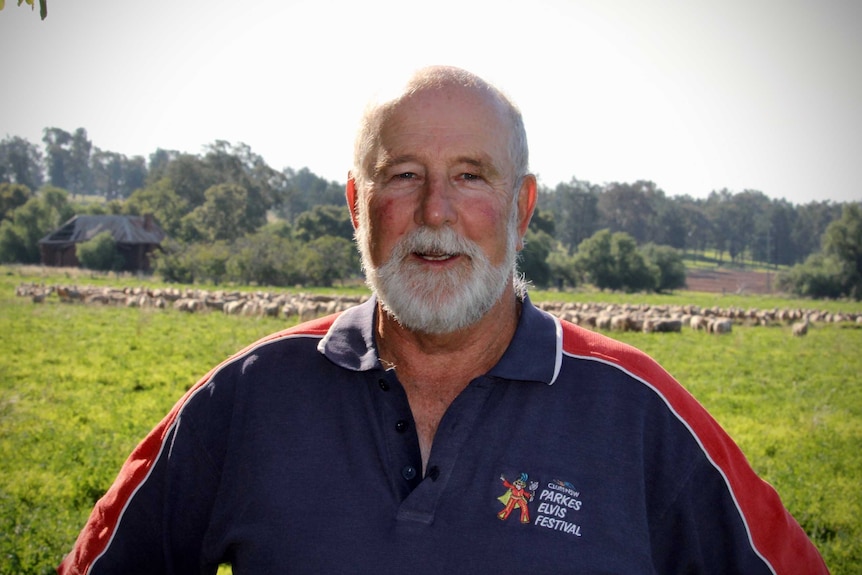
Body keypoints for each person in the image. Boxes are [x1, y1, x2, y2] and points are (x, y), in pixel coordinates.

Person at [59, 66, 828, 574]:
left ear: (521, 208)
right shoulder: (248, 397)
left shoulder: (643, 414)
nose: (436, 212)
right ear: (358, 208)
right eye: (403, 177)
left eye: (470, 176)